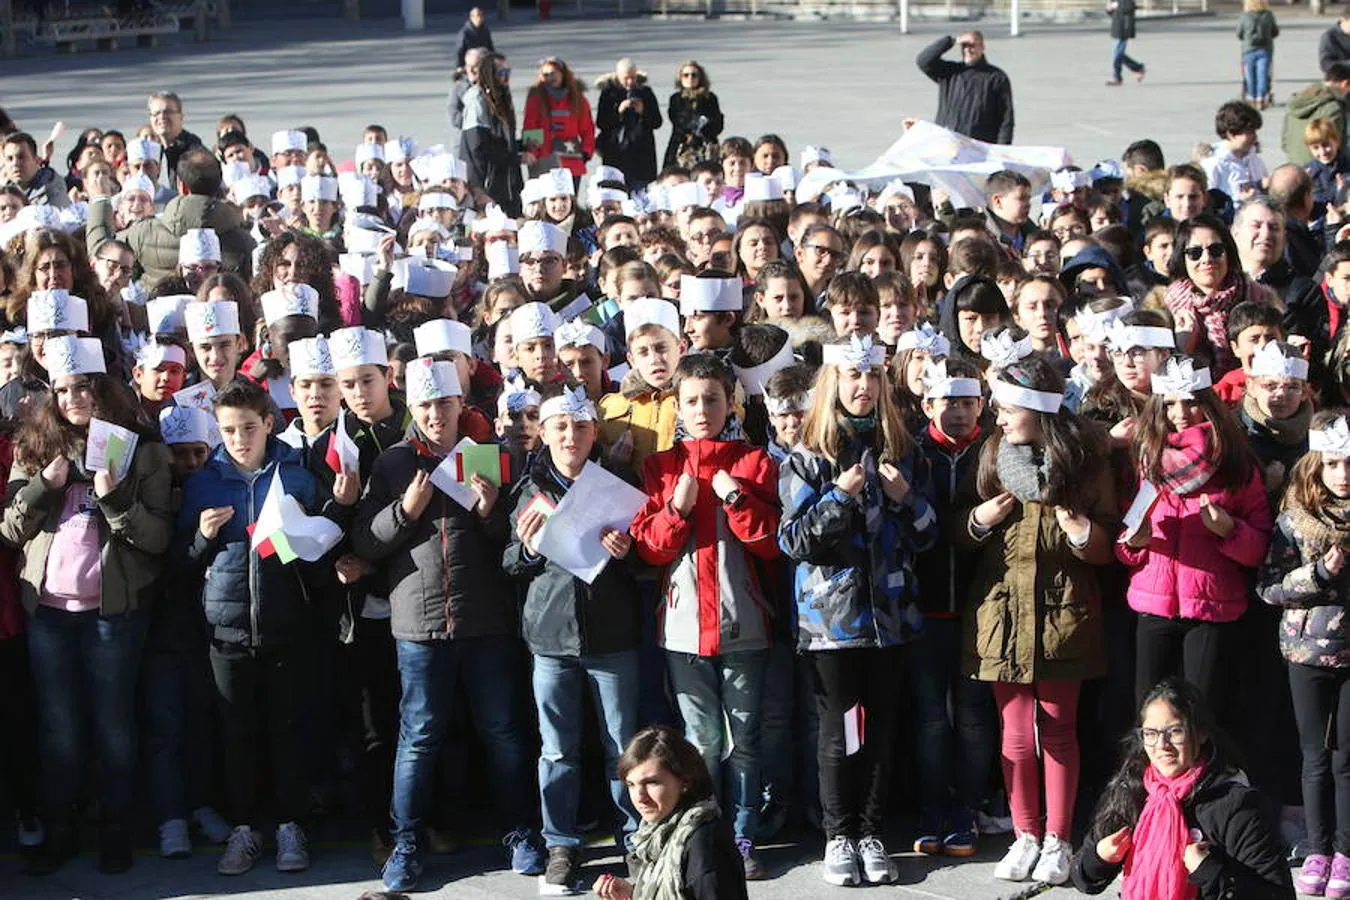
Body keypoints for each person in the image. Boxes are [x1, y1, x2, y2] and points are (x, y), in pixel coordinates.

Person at [4, 336, 171, 875]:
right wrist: (42, 488)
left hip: (112, 613)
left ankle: (116, 826)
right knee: (60, 728)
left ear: (104, 389)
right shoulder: (34, 449)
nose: (76, 397)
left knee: (112, 724)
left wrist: (117, 497)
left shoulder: (141, 449)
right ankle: (62, 825)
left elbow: (157, 538)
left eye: (85, 387)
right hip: (49, 613)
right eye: (65, 389)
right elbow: (7, 530)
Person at [174, 378, 354, 876]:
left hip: (285, 625)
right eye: (229, 430)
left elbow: (320, 549)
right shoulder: (204, 483)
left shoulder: (295, 478)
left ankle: (290, 825)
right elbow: (179, 563)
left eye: (248, 428)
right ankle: (245, 829)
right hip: (226, 631)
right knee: (237, 733)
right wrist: (201, 538)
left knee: (287, 730)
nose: (238, 439)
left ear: (269, 424)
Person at [953, 347, 1117, 886]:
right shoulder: (994, 453)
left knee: (1060, 728)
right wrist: (978, 521)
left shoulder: (1084, 463)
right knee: (1016, 734)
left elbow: (1109, 543)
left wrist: (1081, 534)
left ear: (1038, 409)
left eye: (1006, 407)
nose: (997, 417)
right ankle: (1025, 833)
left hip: (1063, 616)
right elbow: (958, 535)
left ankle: (1058, 839)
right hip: (1002, 615)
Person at [779, 335, 938, 886]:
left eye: (871, 377)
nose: (863, 387)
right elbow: (795, 542)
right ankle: (838, 834)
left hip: (892, 621)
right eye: (852, 377)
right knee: (840, 733)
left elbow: (928, 536)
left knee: (882, 730)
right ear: (833, 384)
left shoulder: (905, 452)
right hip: (833, 626)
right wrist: (840, 498)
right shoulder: (808, 458)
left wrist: (906, 501)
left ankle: (871, 832)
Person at [630, 353, 780, 879]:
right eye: (690, 400)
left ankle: (743, 832)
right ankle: (702, 827)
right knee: (702, 741)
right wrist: (676, 508)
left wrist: (734, 496)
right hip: (684, 627)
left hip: (745, 623)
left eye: (711, 398)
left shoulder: (755, 461)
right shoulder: (660, 467)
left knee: (744, 738)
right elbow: (648, 549)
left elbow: (768, 542)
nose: (701, 409)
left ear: (730, 402)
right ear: (676, 404)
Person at [1119, 356, 1271, 714]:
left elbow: (1261, 546)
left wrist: (1230, 530)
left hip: (1211, 608)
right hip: (1154, 607)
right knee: (1149, 714)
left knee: (1203, 716)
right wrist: (1135, 542)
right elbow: (1125, 543)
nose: (1180, 412)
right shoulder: (1144, 460)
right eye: (1170, 404)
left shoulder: (1235, 462)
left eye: (1191, 401)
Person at [1072, 677, 1294, 899]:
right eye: (1151, 734)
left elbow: (1279, 895)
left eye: (1175, 732)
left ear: (1201, 733)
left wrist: (1210, 872)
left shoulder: (1234, 805)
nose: (1162, 746)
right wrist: (1099, 857)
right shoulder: (1133, 790)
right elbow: (1082, 877)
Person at [1261, 411, 1350, 898]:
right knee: (1314, 756)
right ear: (1317, 465)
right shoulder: (1295, 519)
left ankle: (1346, 851)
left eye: (1349, 463)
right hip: (1308, 652)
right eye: (1333, 463)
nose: (1342, 474)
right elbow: (1269, 588)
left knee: (1346, 759)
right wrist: (1318, 575)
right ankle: (1318, 848)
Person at [592, 725, 749, 900]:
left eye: (651, 783)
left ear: (685, 781)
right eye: (631, 785)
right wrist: (633, 894)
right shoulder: (659, 833)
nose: (639, 797)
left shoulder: (704, 846)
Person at [915, 31, 1014, 145]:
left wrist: (1002, 150)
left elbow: (1006, 119)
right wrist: (951, 41)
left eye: (972, 45)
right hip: (947, 143)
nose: (967, 50)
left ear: (982, 47)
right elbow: (923, 60)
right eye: (964, 46)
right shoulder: (950, 72)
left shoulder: (996, 77)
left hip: (979, 148)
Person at [462, 52, 522, 216]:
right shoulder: (477, 100)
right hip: (487, 184)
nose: (506, 77)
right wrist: (477, 188)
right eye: (501, 73)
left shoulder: (500, 98)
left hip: (507, 181)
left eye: (508, 72)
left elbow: (503, 142)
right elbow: (478, 147)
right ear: (489, 73)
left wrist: (522, 146)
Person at [596, 58, 664, 190]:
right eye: (626, 78)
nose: (630, 82)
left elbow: (657, 122)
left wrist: (643, 112)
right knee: (616, 194)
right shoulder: (608, 94)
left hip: (641, 156)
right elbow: (601, 123)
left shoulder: (645, 93)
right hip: (616, 154)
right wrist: (619, 112)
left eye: (633, 77)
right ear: (618, 76)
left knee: (638, 197)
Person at [521, 58, 594, 179]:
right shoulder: (535, 98)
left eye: (553, 73)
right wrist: (532, 153)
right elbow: (530, 127)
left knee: (569, 197)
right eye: (546, 75)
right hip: (544, 160)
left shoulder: (577, 99)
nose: (550, 77)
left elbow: (587, 128)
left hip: (571, 160)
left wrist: (586, 152)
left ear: (562, 73)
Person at [664, 61, 724, 170]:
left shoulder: (710, 98)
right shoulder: (676, 99)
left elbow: (718, 123)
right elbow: (677, 120)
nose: (690, 78)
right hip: (682, 145)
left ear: (700, 78)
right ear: (680, 78)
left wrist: (705, 128)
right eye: (686, 75)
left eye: (694, 75)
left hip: (706, 146)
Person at [147, 91, 203, 181]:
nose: (162, 117)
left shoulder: (193, 150)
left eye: (168, 112)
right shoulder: (150, 150)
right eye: (156, 113)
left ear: (181, 117)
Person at [1237, 0, 1279, 110]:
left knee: (1250, 76)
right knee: (1263, 74)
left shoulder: (1244, 16)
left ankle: (1252, 97)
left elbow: (1239, 33)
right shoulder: (1269, 15)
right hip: (1265, 49)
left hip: (1248, 50)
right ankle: (1261, 98)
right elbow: (1275, 32)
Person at [1106, 0, 1145, 87]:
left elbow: (1130, 6)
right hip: (1117, 25)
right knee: (1118, 54)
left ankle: (1117, 78)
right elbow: (1111, 12)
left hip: (1124, 26)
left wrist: (1117, 5)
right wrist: (1109, 9)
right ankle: (1138, 68)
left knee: (1117, 54)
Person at [454, 7, 494, 72]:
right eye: (477, 16)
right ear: (471, 18)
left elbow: (490, 46)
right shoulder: (464, 32)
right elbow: (460, 50)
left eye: (481, 16)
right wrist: (459, 66)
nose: (479, 18)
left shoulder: (486, 31)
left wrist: (494, 59)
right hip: (470, 63)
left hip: (484, 62)